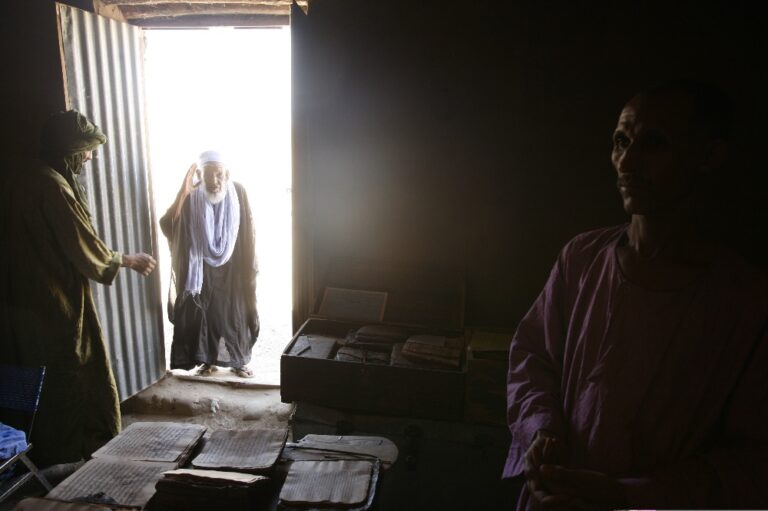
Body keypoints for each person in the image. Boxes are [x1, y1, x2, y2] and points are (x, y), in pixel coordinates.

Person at [504, 82, 768, 510]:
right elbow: (532, 358)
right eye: (621, 141)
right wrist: (542, 432)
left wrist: (627, 497)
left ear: (708, 155)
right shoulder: (582, 259)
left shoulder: (745, 304)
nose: (627, 162)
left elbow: (753, 464)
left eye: (655, 144)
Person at [0, 110, 157, 467]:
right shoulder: (53, 186)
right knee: (72, 372)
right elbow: (81, 245)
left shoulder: (21, 176)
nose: (89, 157)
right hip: (53, 301)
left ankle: (38, 451)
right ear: (69, 148)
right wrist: (125, 259)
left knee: (31, 378)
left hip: (17, 301)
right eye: (85, 150)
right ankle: (73, 453)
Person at [160, 151, 259, 378]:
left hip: (233, 267)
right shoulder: (191, 196)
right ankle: (208, 361)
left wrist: (249, 266)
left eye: (219, 175)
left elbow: (248, 230)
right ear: (198, 175)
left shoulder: (238, 192)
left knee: (235, 315)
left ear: (227, 174)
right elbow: (168, 224)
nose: (214, 182)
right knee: (208, 315)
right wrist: (183, 193)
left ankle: (239, 361)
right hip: (202, 269)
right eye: (208, 176)